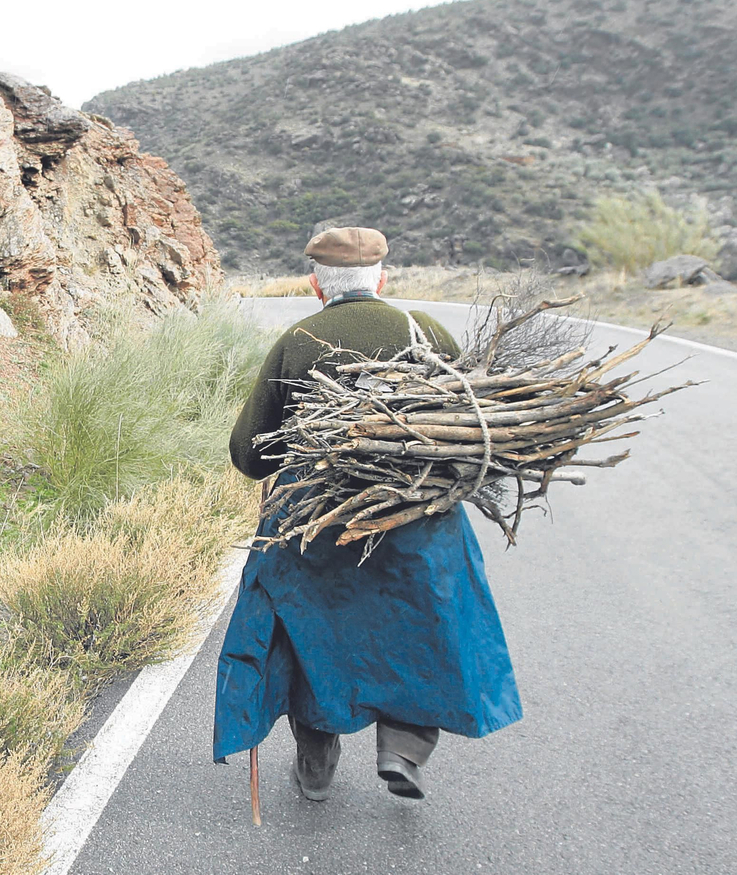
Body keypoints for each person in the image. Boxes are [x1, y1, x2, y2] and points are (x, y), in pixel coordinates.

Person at [214, 227, 521, 805]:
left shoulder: (298, 341)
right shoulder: (425, 332)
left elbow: (249, 455)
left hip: (319, 523)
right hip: (416, 520)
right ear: (381, 279)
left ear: (316, 285)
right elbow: (477, 430)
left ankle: (315, 762)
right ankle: (402, 749)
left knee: (313, 634)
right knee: (419, 626)